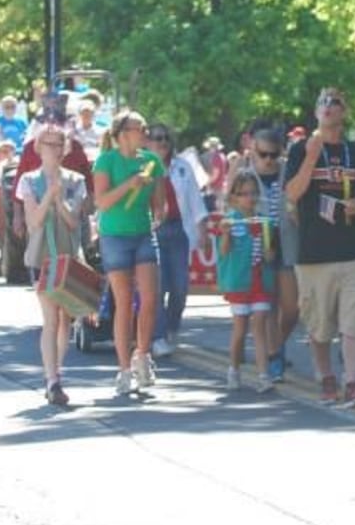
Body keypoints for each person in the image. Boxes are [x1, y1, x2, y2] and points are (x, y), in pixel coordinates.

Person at [284, 88, 355, 409]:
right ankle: (326, 377)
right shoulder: (300, 150)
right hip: (315, 252)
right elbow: (293, 194)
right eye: (322, 101)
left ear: (344, 111)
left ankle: (351, 383)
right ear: (315, 111)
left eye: (334, 101)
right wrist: (311, 157)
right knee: (319, 324)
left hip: (354, 251)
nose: (327, 106)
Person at [92, 110, 169, 396]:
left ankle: (143, 356)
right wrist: (129, 184)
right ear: (124, 134)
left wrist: (159, 213)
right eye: (141, 129)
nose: (145, 134)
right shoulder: (106, 161)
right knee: (124, 302)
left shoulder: (152, 162)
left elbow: (160, 206)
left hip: (143, 233)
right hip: (114, 235)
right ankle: (124, 368)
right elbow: (102, 201)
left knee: (149, 298)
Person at [19, 126, 88, 407]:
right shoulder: (28, 180)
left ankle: (55, 372)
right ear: (38, 147)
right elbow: (33, 222)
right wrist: (48, 195)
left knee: (65, 318)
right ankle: (52, 379)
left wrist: (59, 198)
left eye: (59, 144)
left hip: (68, 256)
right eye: (48, 143)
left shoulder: (77, 181)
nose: (54, 149)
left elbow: (74, 222)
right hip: (42, 257)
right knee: (51, 318)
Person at [235, 126, 298, 381]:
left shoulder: (289, 173)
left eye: (274, 154)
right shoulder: (245, 176)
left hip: (288, 244)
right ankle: (273, 356)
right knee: (268, 307)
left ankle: (277, 346)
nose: (269, 160)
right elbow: (232, 210)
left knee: (292, 308)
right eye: (263, 154)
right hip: (258, 249)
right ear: (253, 151)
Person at [212, 171, 276, 393]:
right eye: (243, 194)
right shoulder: (230, 221)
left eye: (253, 193)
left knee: (259, 325)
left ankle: (263, 375)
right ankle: (233, 369)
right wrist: (226, 235)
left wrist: (270, 254)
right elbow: (223, 251)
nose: (249, 198)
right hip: (239, 283)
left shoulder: (263, 223)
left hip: (260, 281)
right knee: (240, 329)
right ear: (234, 197)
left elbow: (269, 253)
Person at [146, 123, 207, 356]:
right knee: (158, 286)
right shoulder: (142, 168)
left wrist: (202, 230)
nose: (162, 143)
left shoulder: (182, 167)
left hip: (177, 230)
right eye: (156, 138)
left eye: (166, 138)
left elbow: (194, 199)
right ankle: (158, 336)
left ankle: (171, 327)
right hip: (152, 230)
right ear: (147, 142)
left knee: (180, 286)